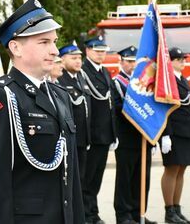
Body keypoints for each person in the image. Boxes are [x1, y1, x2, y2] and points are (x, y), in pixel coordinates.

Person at [0, 0, 84, 223]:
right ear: (16, 47)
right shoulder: (2, 95)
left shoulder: (60, 95)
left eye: (54, 42)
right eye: (44, 42)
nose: (55, 51)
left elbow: (72, 176)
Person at [111, 46, 156, 224]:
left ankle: (139, 213)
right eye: (128, 61)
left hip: (144, 137)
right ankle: (123, 215)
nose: (131, 65)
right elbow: (116, 110)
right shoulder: (116, 82)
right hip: (126, 138)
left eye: (133, 61)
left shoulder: (145, 82)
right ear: (121, 62)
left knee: (142, 177)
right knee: (125, 178)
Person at [80, 35, 117, 224]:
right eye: (97, 50)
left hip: (104, 135)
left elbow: (109, 105)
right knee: (87, 178)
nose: (101, 54)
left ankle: (93, 212)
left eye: (103, 51)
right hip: (92, 135)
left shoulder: (105, 72)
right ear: (87, 50)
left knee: (97, 178)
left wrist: (113, 133)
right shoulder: (83, 71)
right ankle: (87, 214)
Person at [160, 47, 190, 224]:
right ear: (170, 61)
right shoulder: (167, 80)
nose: (183, 61)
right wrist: (165, 135)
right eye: (179, 59)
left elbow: (188, 107)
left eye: (183, 58)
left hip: (185, 131)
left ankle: (177, 208)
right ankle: (169, 211)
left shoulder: (182, 79)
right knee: (172, 169)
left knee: (182, 169)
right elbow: (164, 108)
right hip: (173, 133)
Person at [57, 41, 92, 191]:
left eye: (79, 58)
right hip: (70, 139)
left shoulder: (81, 78)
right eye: (73, 58)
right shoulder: (59, 79)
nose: (78, 61)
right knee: (70, 182)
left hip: (83, 138)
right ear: (62, 59)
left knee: (82, 180)